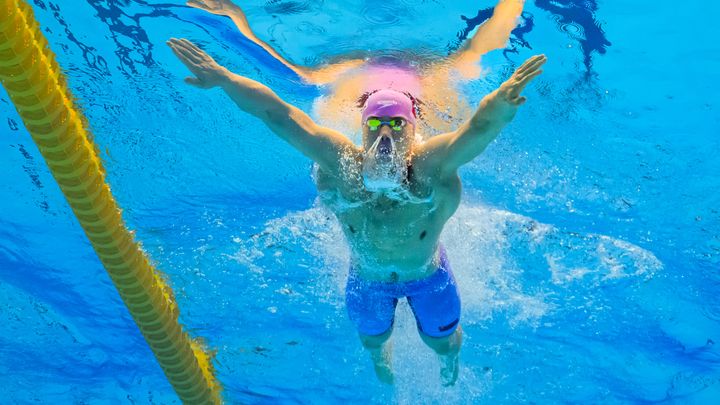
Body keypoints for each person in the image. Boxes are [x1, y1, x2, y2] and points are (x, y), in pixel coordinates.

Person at [168, 0, 546, 386]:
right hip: (367, 283)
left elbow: (476, 132)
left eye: (397, 124)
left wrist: (497, 105)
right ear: (363, 128)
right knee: (373, 340)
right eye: (377, 124)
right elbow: (277, 114)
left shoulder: (430, 167)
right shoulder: (341, 163)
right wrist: (225, 79)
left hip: (428, 277)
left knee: (444, 345)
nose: (386, 134)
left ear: (412, 129)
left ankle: (449, 368)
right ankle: (385, 370)